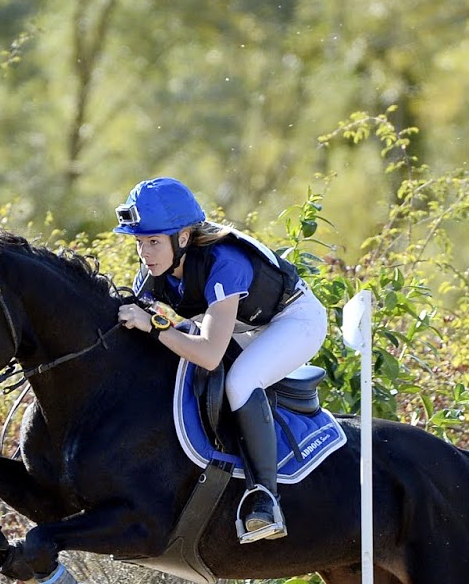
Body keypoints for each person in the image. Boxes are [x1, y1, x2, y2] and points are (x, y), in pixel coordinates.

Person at [113, 177, 328, 543]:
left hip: (295, 321)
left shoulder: (224, 262)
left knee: (240, 381)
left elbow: (210, 354)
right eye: (139, 242)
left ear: (183, 238)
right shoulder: (154, 272)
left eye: (153, 241)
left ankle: (265, 499)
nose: (145, 253)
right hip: (241, 326)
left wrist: (155, 326)